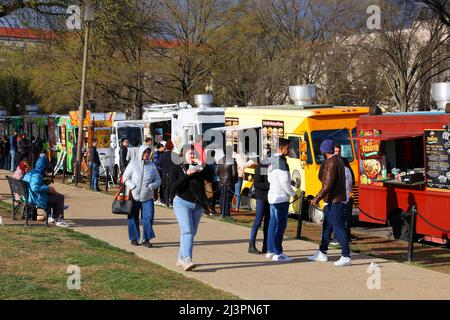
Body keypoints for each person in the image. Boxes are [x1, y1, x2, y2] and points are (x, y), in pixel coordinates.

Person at [308, 139, 351, 267]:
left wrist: (316, 199)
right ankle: (322, 252)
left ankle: (346, 255)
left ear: (324, 151)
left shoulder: (331, 162)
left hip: (335, 200)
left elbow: (327, 185)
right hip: (335, 199)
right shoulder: (338, 160)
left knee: (338, 228)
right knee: (327, 227)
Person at [170, 144, 213, 271]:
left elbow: (210, 179)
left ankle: (180, 258)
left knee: (191, 233)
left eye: (194, 154)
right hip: (181, 203)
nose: (193, 156)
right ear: (183, 155)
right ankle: (187, 259)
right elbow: (173, 187)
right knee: (187, 231)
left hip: (197, 205)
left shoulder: (199, 168)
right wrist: (187, 174)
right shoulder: (176, 168)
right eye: (190, 154)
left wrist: (204, 167)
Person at [266, 138, 298, 262]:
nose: (288, 150)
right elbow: (284, 182)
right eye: (287, 148)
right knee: (280, 225)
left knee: (272, 224)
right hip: (280, 198)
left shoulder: (271, 159)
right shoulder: (281, 161)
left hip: (273, 195)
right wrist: (293, 193)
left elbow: (273, 178)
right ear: (281, 148)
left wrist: (289, 181)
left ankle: (270, 250)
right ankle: (278, 253)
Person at [123, 144, 161, 247]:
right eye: (145, 152)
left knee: (148, 217)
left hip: (147, 197)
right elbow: (125, 177)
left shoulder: (152, 166)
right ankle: (134, 238)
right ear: (141, 153)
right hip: (133, 196)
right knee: (132, 217)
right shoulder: (133, 163)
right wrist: (132, 186)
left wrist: (151, 186)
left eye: (148, 153)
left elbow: (158, 180)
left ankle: (146, 239)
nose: (147, 154)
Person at [23, 154, 69, 227]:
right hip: (35, 199)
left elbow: (34, 184)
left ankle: (53, 216)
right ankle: (59, 219)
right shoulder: (37, 175)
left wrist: (44, 183)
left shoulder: (31, 172)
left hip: (29, 197)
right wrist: (47, 188)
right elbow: (34, 188)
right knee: (60, 197)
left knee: (55, 195)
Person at [248, 159, 271, 254]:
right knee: (258, 221)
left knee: (268, 222)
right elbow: (257, 183)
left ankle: (266, 246)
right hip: (261, 197)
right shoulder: (262, 166)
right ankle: (251, 244)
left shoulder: (271, 166)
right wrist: (270, 185)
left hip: (270, 197)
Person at [335, 145, 356, 242]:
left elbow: (351, 175)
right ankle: (337, 237)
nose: (337, 153)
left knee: (346, 217)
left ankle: (346, 235)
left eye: (339, 151)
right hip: (337, 194)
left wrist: (352, 186)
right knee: (337, 217)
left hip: (346, 194)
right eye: (336, 151)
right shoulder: (331, 161)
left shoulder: (344, 161)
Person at [217, 145, 238, 219]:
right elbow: (234, 173)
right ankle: (227, 214)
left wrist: (221, 177)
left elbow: (216, 171)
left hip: (221, 182)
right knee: (228, 198)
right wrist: (235, 180)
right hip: (229, 182)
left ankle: (222, 213)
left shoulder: (220, 160)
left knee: (222, 197)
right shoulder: (232, 161)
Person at [160, 140, 176, 206]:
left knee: (165, 188)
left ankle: (165, 200)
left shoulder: (162, 155)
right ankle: (171, 201)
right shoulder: (175, 155)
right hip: (172, 173)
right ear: (172, 147)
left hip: (164, 173)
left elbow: (160, 164)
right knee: (172, 188)